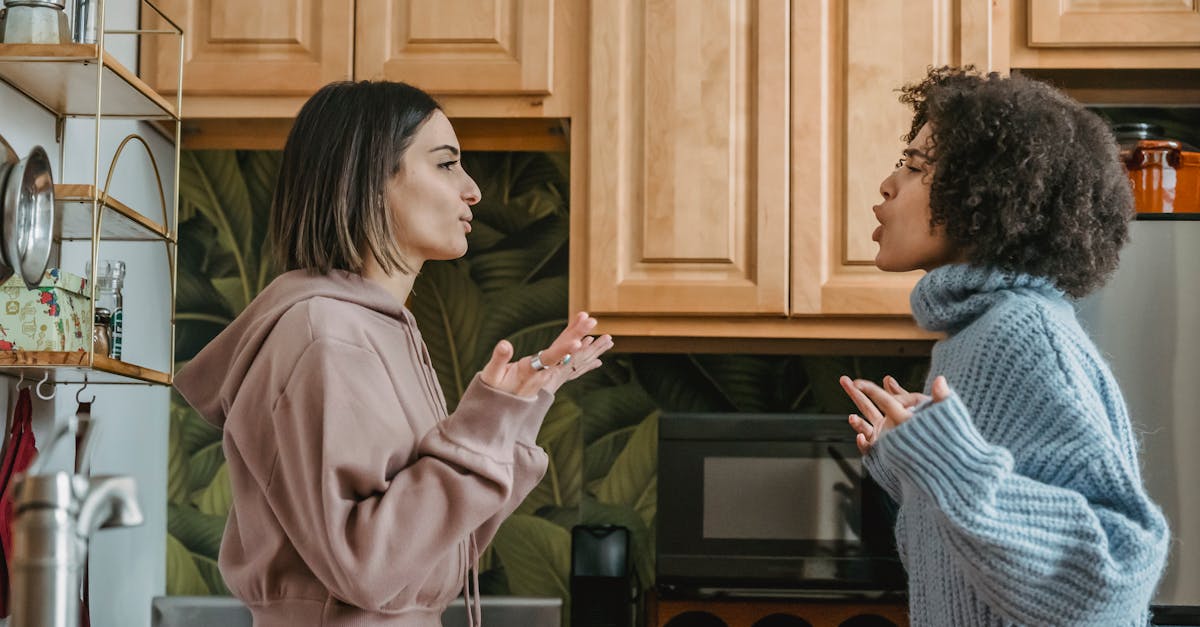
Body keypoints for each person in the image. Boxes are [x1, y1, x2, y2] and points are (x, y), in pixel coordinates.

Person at [174, 80, 613, 627]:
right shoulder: (325, 334)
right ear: (371, 179)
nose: (472, 189)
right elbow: (367, 568)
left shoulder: (376, 331)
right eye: (447, 164)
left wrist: (512, 414)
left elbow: (431, 548)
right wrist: (479, 434)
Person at [838, 67, 1169, 626]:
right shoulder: (972, 334)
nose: (888, 184)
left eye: (916, 166)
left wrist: (954, 466)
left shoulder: (1020, 334)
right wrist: (917, 470)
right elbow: (980, 575)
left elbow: (1113, 583)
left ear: (989, 194)